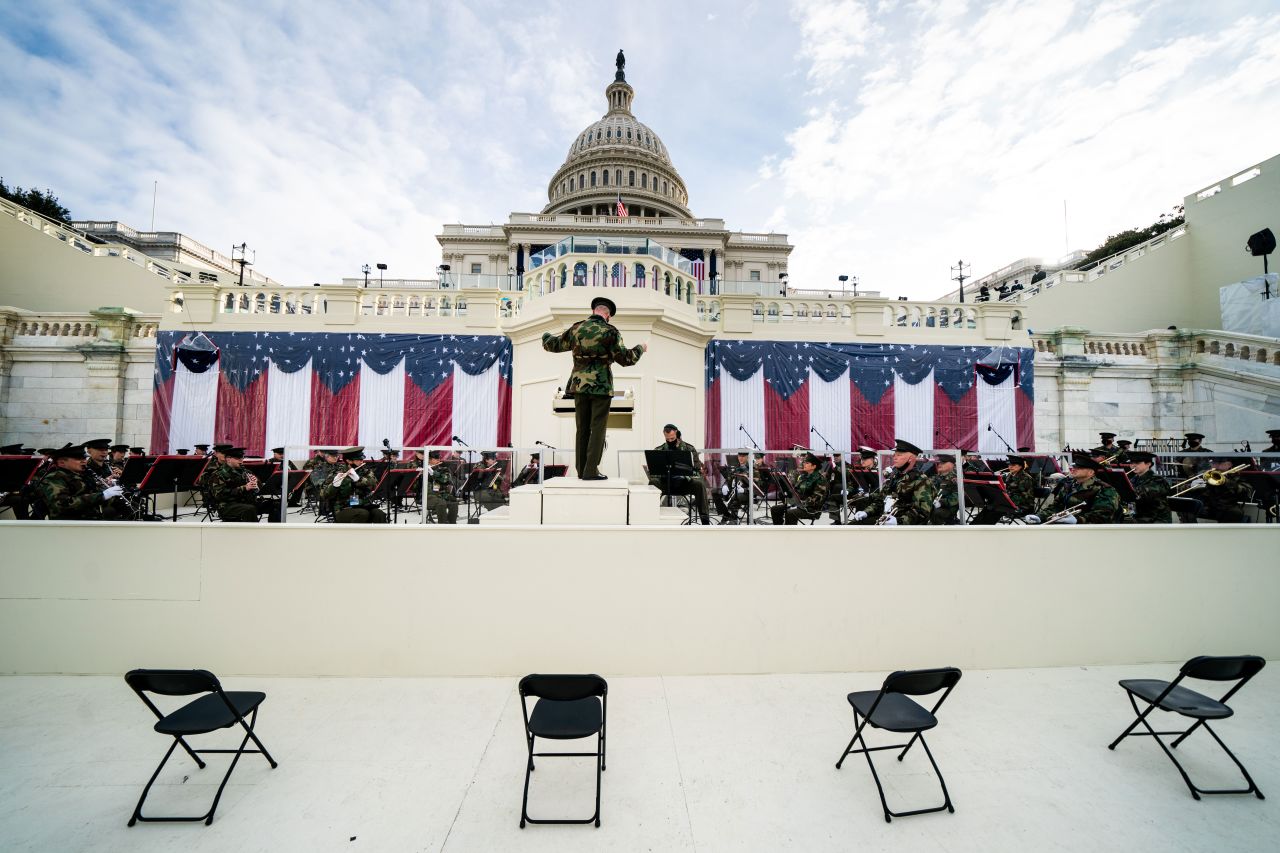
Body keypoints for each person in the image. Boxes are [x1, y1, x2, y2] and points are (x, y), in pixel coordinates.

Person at [541, 296, 646, 479]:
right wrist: (640, 348)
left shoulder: (577, 328)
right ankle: (591, 471)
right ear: (608, 316)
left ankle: (581, 470)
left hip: (579, 386)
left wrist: (545, 336)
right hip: (601, 387)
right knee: (597, 428)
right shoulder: (610, 332)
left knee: (582, 429)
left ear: (593, 311)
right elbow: (626, 359)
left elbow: (553, 345)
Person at [849, 439, 936, 525]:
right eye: (894, 454)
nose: (894, 457)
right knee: (853, 525)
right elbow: (880, 501)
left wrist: (898, 521)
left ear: (910, 459)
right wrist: (866, 512)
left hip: (904, 527)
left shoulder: (920, 480)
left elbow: (922, 513)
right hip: (885, 519)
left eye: (899, 455)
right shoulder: (894, 476)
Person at [35, 443, 124, 520]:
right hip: (69, 525)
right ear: (62, 462)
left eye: (84, 459)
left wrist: (108, 489)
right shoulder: (54, 478)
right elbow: (63, 505)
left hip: (90, 521)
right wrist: (103, 495)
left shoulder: (83, 475)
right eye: (78, 459)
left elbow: (94, 495)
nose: (84, 462)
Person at [648, 423, 711, 525]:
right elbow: (653, 473)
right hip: (666, 484)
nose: (670, 441)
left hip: (684, 484)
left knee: (699, 485)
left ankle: (705, 521)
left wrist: (685, 475)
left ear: (676, 433)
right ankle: (650, 517)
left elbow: (697, 471)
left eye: (672, 438)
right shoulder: (659, 450)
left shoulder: (689, 449)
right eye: (667, 439)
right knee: (653, 482)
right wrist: (664, 474)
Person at [207, 447, 281, 522]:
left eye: (242, 457)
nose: (241, 460)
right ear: (228, 459)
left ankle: (275, 530)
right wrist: (244, 488)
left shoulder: (246, 471)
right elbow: (219, 495)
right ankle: (253, 532)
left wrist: (256, 484)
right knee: (250, 509)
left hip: (247, 502)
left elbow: (259, 490)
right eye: (237, 458)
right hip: (227, 506)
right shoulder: (218, 474)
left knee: (275, 504)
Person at [1044, 456, 1121, 524]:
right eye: (1074, 467)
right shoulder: (1068, 486)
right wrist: (1039, 516)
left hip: (1092, 533)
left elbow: (1102, 516)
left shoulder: (1105, 489)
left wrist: (1078, 520)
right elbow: (1055, 507)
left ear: (1091, 472)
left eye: (1079, 468)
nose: (1073, 469)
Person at [322, 447, 387, 524]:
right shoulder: (337, 473)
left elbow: (374, 484)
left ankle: (377, 535)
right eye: (358, 460)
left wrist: (358, 480)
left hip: (363, 505)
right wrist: (334, 485)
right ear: (348, 461)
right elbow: (323, 494)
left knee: (379, 514)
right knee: (362, 514)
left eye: (362, 459)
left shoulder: (366, 471)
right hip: (343, 508)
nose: (361, 461)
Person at [770, 452, 827, 525]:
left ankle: (790, 533)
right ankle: (780, 530)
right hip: (798, 504)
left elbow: (816, 498)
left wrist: (800, 503)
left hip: (811, 508)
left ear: (813, 466)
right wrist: (787, 491)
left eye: (807, 463)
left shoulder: (820, 479)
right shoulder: (803, 477)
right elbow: (795, 490)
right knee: (775, 509)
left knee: (790, 512)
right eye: (804, 462)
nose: (804, 464)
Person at [1197, 457, 1251, 523]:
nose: (1215, 466)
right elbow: (1181, 488)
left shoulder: (1236, 476)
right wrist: (1191, 485)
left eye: (1219, 463)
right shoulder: (1206, 474)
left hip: (1226, 507)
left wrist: (1227, 482)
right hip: (1206, 505)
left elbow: (1247, 493)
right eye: (1213, 463)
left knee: (1235, 513)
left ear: (1229, 464)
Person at [1128, 451, 1171, 523]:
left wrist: (1124, 488)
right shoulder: (1134, 478)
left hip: (1156, 519)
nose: (1133, 465)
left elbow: (1143, 494)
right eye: (1131, 463)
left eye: (1137, 463)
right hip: (1139, 516)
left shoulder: (1157, 480)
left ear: (1148, 464)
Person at [713, 449, 753, 523]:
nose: (741, 458)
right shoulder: (734, 467)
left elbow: (756, 485)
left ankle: (733, 519)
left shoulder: (752, 468)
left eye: (743, 456)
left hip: (745, 493)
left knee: (736, 495)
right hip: (733, 490)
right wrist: (725, 486)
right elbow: (728, 479)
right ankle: (726, 514)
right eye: (739, 456)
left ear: (747, 457)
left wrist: (744, 490)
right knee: (715, 492)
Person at [424, 451, 460, 524]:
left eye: (439, 459)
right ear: (429, 459)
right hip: (428, 495)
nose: (438, 461)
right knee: (441, 503)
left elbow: (445, 479)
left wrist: (434, 473)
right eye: (436, 459)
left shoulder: (443, 469)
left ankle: (452, 523)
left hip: (441, 494)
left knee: (453, 501)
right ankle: (443, 524)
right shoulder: (423, 468)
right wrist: (424, 472)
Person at [929, 453, 960, 525]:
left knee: (935, 512)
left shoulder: (956, 478)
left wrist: (941, 503)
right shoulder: (936, 477)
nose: (939, 465)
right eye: (938, 463)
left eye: (942, 463)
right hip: (934, 505)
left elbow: (957, 497)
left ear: (951, 464)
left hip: (948, 508)